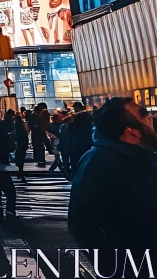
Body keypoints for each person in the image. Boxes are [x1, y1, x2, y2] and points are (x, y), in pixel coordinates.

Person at [69, 97, 157, 275]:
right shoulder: (99, 161)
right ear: (131, 132)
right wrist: (115, 267)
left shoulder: (144, 156)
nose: (152, 117)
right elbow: (81, 223)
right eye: (144, 114)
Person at [65, 101, 93, 178]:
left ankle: (76, 177)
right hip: (89, 146)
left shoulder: (73, 124)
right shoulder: (90, 126)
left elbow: (68, 134)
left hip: (76, 146)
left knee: (77, 163)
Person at [5, 109, 29, 181]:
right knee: (20, 157)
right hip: (21, 142)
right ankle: (20, 171)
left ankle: (20, 171)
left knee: (18, 156)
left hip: (18, 142)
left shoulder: (14, 124)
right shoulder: (19, 125)